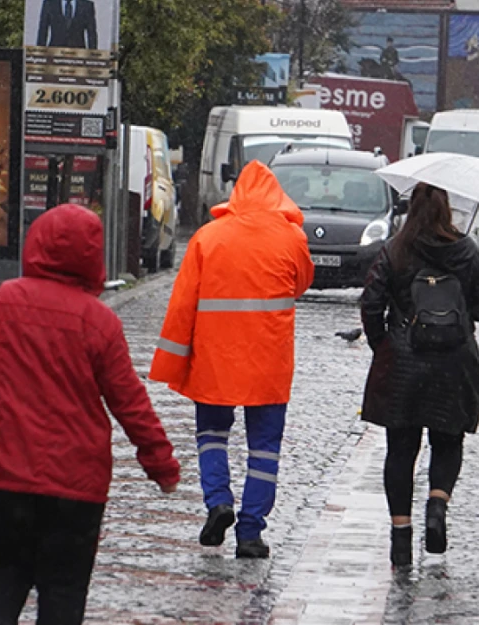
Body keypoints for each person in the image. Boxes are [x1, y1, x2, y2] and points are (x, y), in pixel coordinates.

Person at [0, 204, 180, 625]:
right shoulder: (98, 323)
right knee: (64, 589)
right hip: (75, 487)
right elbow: (130, 402)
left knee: (1, 572)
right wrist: (161, 464)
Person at [149, 161, 314, 559]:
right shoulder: (292, 238)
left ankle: (218, 502)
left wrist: (173, 360)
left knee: (211, 435)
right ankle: (252, 532)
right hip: (269, 362)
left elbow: (183, 304)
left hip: (214, 359)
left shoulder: (208, 238)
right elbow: (302, 283)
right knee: (264, 448)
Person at [359, 182, 479, 569]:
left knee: (401, 450)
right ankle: (437, 504)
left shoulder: (395, 249)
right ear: (446, 210)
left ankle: (400, 539)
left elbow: (371, 302)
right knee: (447, 441)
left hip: (403, 365)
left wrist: (383, 345)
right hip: (454, 364)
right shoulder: (466, 250)